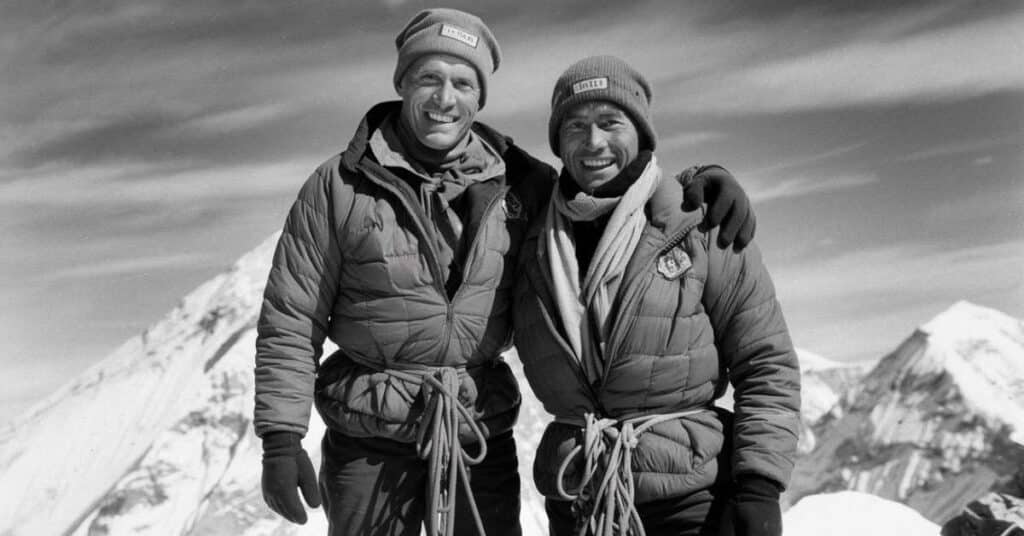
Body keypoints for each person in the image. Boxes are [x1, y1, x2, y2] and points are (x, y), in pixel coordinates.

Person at [253, 9, 756, 536]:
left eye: (463, 83)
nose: (445, 99)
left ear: (480, 97)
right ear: (402, 82)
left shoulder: (524, 183)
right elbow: (292, 316)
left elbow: (610, 192)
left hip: (477, 431)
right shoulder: (338, 186)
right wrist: (281, 437)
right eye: (429, 78)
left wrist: (700, 183)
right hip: (369, 438)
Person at [512, 55, 801, 536]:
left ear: (642, 134)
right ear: (558, 143)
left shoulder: (700, 225)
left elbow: (765, 362)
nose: (594, 142)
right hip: (580, 498)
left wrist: (759, 486)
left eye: (611, 122)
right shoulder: (530, 240)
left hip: (691, 502)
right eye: (576, 126)